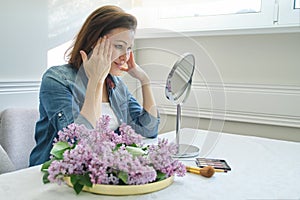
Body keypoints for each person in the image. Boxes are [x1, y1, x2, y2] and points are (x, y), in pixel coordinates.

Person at [29, 5, 160, 166]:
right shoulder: (57, 79)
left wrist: (145, 81)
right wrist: (96, 80)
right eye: (119, 46)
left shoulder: (116, 85)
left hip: (99, 176)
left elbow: (149, 130)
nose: (125, 57)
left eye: (129, 48)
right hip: (56, 176)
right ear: (93, 44)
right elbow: (78, 144)